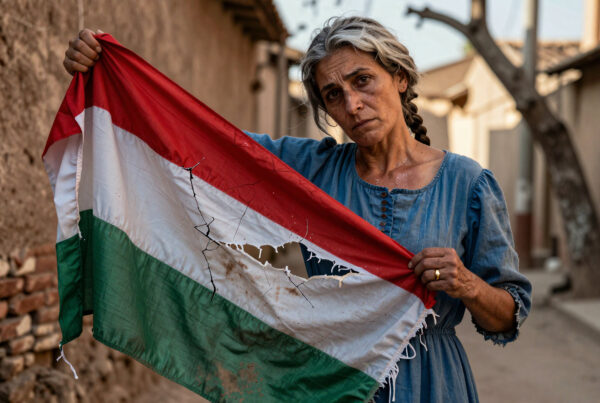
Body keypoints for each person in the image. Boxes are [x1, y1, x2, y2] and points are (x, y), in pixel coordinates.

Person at [63, 17, 532, 402]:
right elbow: (201, 142)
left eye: (362, 80)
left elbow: (507, 315)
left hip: (430, 385)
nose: (352, 104)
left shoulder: (468, 184)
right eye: (333, 94)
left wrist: (467, 283)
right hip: (323, 380)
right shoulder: (307, 170)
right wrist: (112, 72)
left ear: (401, 78)